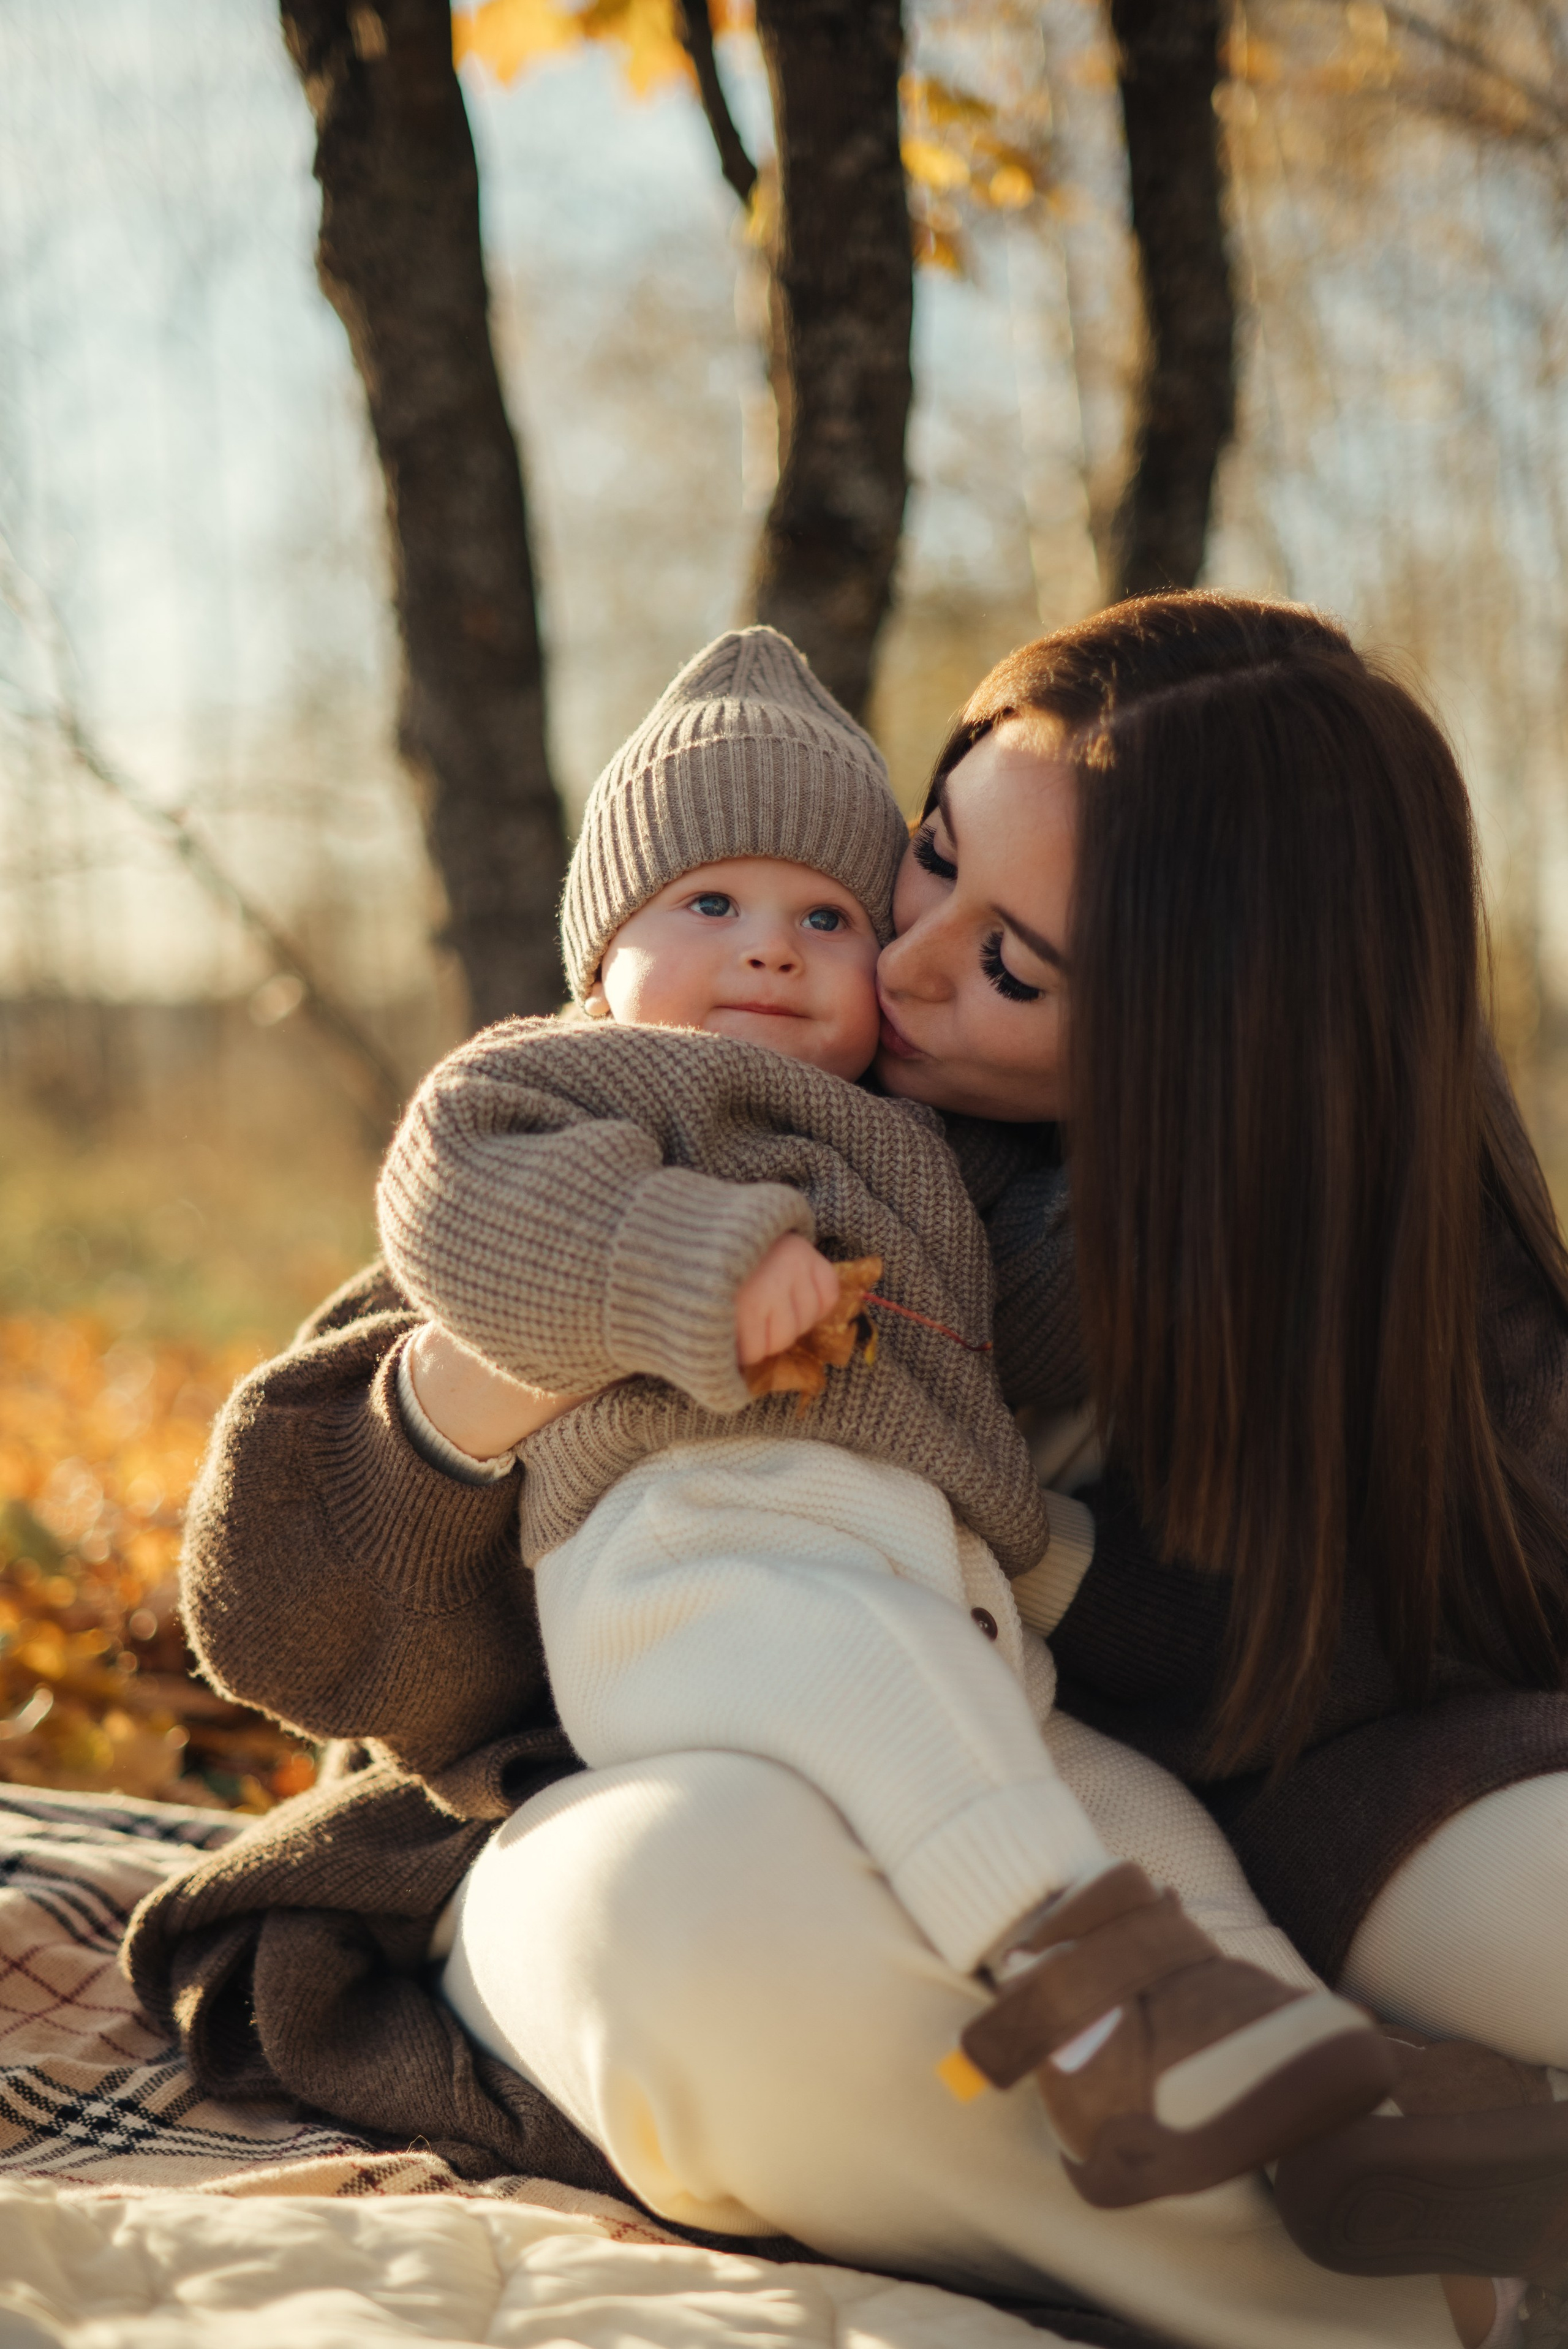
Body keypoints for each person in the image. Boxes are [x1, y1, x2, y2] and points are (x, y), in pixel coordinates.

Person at [123, 594, 1568, 2349]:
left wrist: (1082, 1547)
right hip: (632, 1788)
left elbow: (1391, 1637)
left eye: (1009, 964)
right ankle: (1432, 2298)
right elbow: (276, 1598)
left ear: (1217, 1041)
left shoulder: (1212, 1235)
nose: (895, 960)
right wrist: (565, 1332)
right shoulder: (644, 1115)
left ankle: (1338, 2104)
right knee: (700, 1911)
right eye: (929, 856)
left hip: (1073, 1749)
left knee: (1194, 1844)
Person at [374, 627, 1392, 2211]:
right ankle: (1097, 2008)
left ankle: (1308, 2076)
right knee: (893, 1697)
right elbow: (460, 1210)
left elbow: (1046, 1301)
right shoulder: (568, 1085)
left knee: (1125, 1801)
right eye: (709, 904)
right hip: (691, 1564)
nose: (771, 952)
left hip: (932, 1586)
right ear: (599, 955)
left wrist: (1183, 1185)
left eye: (826, 917)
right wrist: (698, 1262)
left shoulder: (915, 1146)